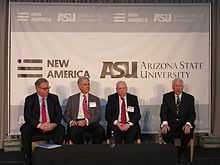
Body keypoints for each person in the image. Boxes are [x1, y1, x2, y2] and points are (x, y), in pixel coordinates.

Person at [20, 78, 65, 165]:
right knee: (25, 129)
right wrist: (39, 125)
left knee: (61, 128)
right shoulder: (30, 99)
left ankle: (55, 155)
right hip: (36, 126)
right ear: (37, 89)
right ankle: (28, 155)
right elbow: (28, 116)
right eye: (44, 88)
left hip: (50, 125)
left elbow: (59, 114)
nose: (47, 90)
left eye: (48, 88)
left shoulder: (54, 98)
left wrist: (53, 124)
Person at [160, 78, 196, 163]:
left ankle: (182, 152)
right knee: (166, 132)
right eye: (176, 86)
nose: (178, 88)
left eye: (180, 86)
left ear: (182, 87)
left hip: (184, 123)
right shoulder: (166, 97)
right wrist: (165, 123)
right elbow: (163, 112)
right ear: (172, 87)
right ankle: (173, 152)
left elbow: (192, 114)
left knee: (187, 132)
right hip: (171, 123)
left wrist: (188, 124)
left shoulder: (189, 98)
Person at [64, 77, 105, 144]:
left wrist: (86, 121)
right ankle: (82, 149)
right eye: (85, 84)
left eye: (88, 84)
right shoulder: (72, 99)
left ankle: (94, 149)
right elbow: (66, 115)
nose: (88, 86)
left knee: (100, 131)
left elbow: (98, 116)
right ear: (79, 86)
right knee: (73, 132)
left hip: (91, 122)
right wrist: (71, 122)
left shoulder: (95, 99)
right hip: (77, 122)